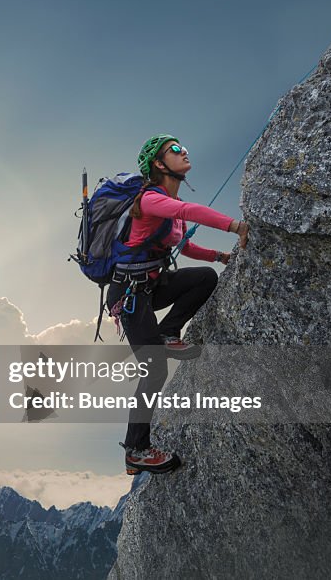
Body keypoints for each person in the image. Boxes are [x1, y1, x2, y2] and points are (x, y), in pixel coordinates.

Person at [108, 134, 249, 475]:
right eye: (174, 150)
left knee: (204, 277)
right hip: (129, 295)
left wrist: (219, 256)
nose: (184, 151)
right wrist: (234, 226)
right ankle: (136, 450)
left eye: (183, 147)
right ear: (159, 164)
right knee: (154, 368)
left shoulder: (169, 204)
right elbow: (188, 210)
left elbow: (182, 247)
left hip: (151, 285)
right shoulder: (150, 200)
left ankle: (170, 332)